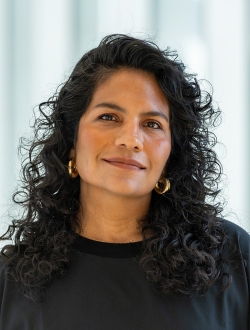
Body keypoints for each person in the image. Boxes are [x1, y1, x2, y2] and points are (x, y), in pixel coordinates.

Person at [0, 34, 249, 330]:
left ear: (172, 153)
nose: (130, 140)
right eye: (109, 117)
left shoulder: (232, 256)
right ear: (71, 140)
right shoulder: (11, 280)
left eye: (152, 124)